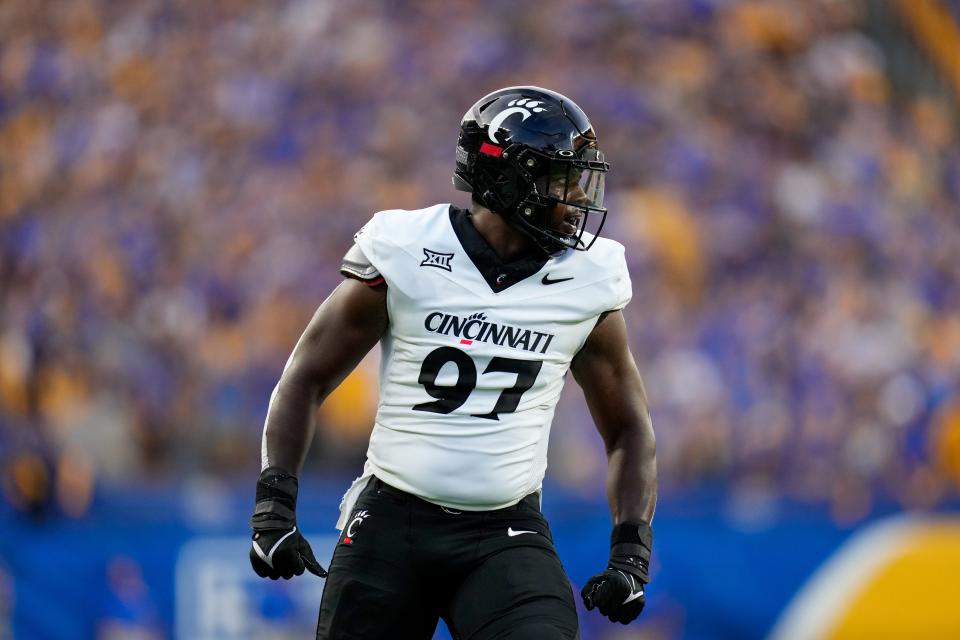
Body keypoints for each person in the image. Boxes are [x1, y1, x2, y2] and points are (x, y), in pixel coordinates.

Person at [249, 86, 658, 639]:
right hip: (392, 524)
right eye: (562, 179)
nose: (577, 198)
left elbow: (628, 428)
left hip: (505, 531)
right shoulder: (408, 250)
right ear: (511, 179)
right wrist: (274, 505)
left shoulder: (587, 280)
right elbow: (305, 377)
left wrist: (630, 551)